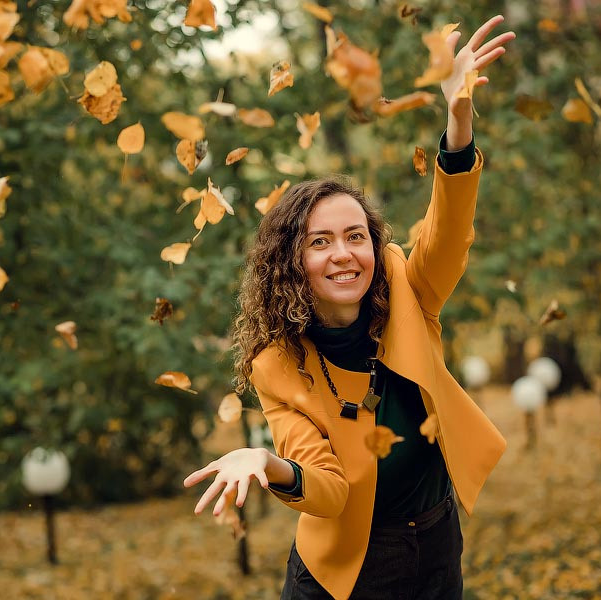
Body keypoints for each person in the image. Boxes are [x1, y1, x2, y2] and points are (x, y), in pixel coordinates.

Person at [183, 15, 516, 600]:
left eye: (355, 235)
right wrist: (269, 462)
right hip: (348, 568)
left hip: (437, 540)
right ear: (291, 261)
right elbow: (331, 491)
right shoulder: (277, 364)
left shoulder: (404, 288)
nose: (344, 254)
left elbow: (447, 237)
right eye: (320, 241)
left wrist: (458, 123)